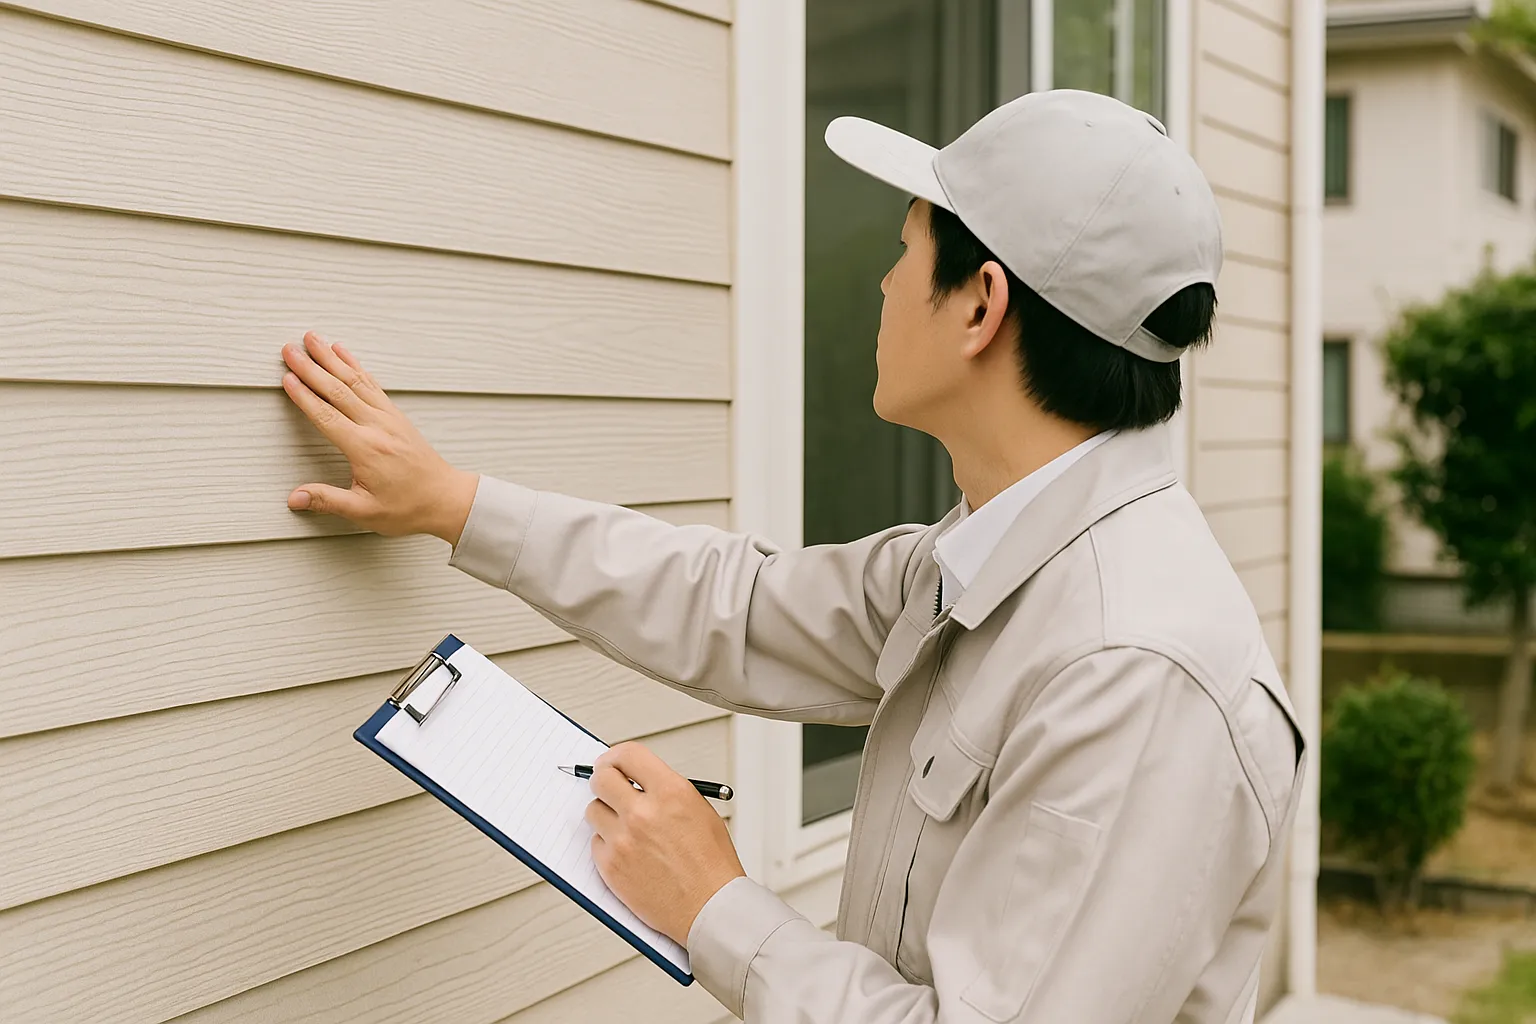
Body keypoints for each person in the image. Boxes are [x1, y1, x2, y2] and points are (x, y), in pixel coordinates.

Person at [278, 89, 1304, 1024]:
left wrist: (713, 901)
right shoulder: (993, 558)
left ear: (982, 306)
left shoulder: (1133, 672)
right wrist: (455, 503)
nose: (885, 281)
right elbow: (744, 601)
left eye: (904, 249)